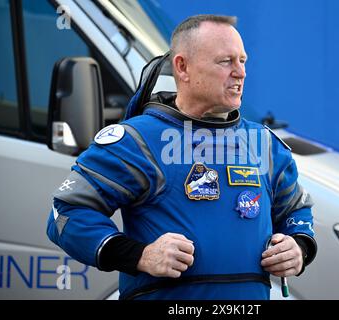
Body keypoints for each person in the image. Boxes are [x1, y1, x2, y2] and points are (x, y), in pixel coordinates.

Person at [46, 14, 316, 300]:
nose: (240, 72)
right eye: (226, 61)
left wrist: (298, 247)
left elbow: (296, 212)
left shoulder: (263, 145)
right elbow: (65, 213)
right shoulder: (138, 141)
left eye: (243, 61)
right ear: (183, 67)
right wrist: (140, 255)